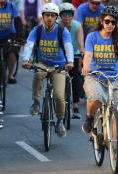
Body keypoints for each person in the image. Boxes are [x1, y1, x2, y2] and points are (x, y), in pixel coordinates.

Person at [81, 5, 118, 160]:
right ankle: (89, 116)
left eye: (113, 22)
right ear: (101, 21)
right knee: (97, 97)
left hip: (115, 79)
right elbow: (88, 54)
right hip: (95, 76)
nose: (110, 25)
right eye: (107, 21)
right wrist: (86, 66)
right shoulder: (92, 36)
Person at [22, 2, 74, 138]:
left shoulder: (63, 31)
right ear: (43, 16)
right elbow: (29, 45)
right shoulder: (37, 30)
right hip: (43, 63)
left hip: (59, 66)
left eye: (52, 16)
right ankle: (36, 102)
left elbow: (68, 46)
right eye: (47, 15)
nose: (49, 18)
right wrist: (25, 60)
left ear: (56, 17)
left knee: (58, 95)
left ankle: (60, 121)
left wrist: (70, 62)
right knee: (38, 74)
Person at [58, 2, 85, 119]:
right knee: (57, 78)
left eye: (69, 14)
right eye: (64, 14)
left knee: (76, 79)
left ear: (73, 15)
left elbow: (80, 43)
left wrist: (83, 56)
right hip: (59, 55)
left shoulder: (77, 26)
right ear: (60, 16)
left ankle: (75, 105)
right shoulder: (56, 25)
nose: (67, 17)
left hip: (74, 54)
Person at [0, 0, 23, 84]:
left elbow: (18, 22)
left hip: (9, 35)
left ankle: (10, 75)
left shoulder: (11, 6)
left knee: (13, 51)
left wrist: (20, 37)